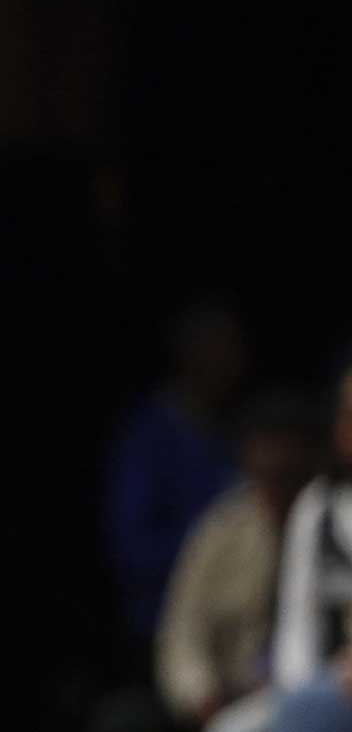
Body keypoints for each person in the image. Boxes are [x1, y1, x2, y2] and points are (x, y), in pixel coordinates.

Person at [155, 393, 320, 727]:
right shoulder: (221, 531)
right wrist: (202, 696)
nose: (275, 484)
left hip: (314, 699)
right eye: (265, 471)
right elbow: (182, 633)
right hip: (230, 698)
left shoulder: (331, 522)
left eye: (287, 473)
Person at [106, 298, 249, 641]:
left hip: (236, 616)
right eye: (220, 347)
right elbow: (132, 548)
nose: (235, 359)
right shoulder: (151, 436)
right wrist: (210, 549)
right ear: (189, 353)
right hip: (166, 616)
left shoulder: (236, 428)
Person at [270, 364, 352, 731]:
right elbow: (296, 620)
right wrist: (297, 690)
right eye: (347, 415)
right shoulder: (316, 508)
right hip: (327, 686)